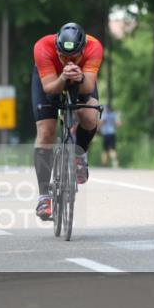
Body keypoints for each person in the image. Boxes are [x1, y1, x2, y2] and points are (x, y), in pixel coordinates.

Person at [31, 22, 103, 221]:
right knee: (46, 131)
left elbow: (88, 87)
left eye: (74, 57)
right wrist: (63, 76)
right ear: (56, 48)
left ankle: (78, 154)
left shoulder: (94, 46)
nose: (69, 60)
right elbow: (50, 89)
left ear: (83, 50)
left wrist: (79, 79)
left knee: (90, 117)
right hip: (52, 80)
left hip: (81, 81)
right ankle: (44, 195)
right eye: (63, 56)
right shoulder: (42, 47)